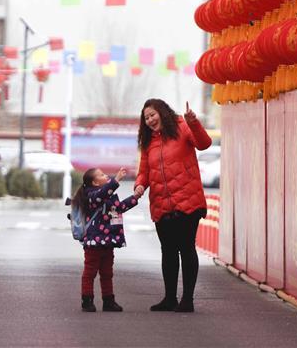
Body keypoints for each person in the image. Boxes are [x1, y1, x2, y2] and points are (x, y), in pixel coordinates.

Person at [134, 99, 211, 313]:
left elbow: (204, 143)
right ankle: (169, 298)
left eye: (152, 115)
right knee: (168, 251)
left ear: (162, 112)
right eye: (146, 117)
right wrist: (140, 185)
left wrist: (194, 122)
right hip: (161, 204)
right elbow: (144, 171)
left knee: (186, 248)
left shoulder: (182, 127)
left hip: (188, 200)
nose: (150, 120)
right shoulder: (149, 141)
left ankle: (187, 300)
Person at [74, 166, 141, 312]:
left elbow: (119, 208)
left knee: (107, 273)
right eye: (102, 175)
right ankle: (87, 300)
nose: (106, 176)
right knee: (90, 272)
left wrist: (135, 197)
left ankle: (108, 300)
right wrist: (116, 180)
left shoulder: (108, 196)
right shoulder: (91, 195)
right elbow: (101, 195)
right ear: (95, 183)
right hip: (94, 242)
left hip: (108, 241)